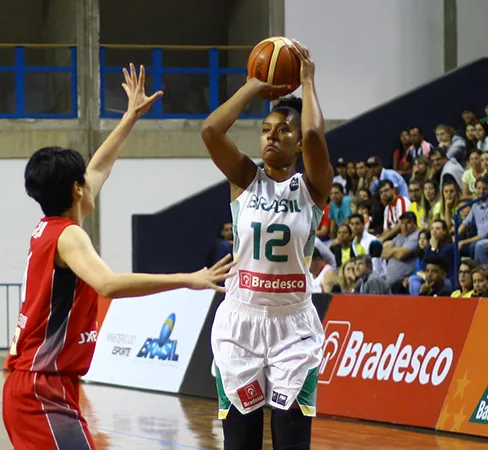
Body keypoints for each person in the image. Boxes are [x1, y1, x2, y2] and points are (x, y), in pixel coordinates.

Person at [2, 65, 235, 450]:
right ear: (77, 191)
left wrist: (129, 117)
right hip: (41, 388)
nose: (93, 182)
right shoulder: (69, 236)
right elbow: (108, 284)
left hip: (38, 385)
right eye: (85, 182)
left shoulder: (51, 223)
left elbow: (99, 166)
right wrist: (187, 279)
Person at [200, 40, 332, 450]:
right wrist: (253, 87)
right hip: (241, 320)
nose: (272, 137)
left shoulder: (313, 187)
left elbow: (312, 130)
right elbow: (210, 130)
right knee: (241, 442)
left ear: (297, 145)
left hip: (293, 326)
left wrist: (307, 83)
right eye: (265, 130)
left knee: (292, 441)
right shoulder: (244, 177)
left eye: (283, 131)